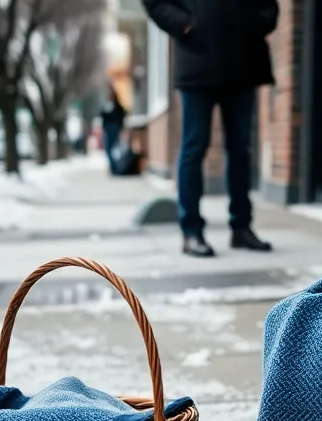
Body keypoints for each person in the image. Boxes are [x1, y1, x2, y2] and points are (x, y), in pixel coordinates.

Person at [143, 0, 278, 257]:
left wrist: (253, 24)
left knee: (241, 149)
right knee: (194, 146)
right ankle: (191, 231)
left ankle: (242, 227)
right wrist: (185, 24)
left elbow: (268, 8)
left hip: (243, 60)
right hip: (197, 59)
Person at [100, 83, 128, 176]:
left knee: (114, 149)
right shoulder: (106, 104)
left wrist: (121, 128)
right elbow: (102, 116)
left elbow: (122, 114)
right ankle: (113, 168)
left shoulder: (117, 105)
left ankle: (116, 168)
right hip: (108, 129)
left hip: (115, 128)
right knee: (108, 149)